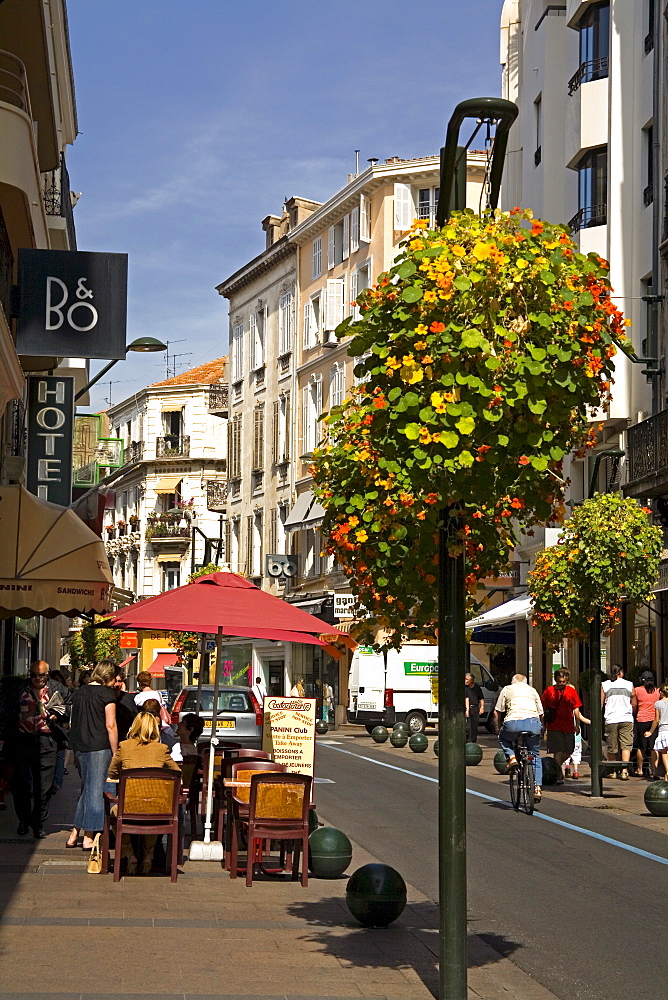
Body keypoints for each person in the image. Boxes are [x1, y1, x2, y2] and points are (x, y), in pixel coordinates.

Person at [107, 711, 181, 875]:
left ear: (134, 727)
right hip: (158, 807)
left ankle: (129, 853)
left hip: (129, 807)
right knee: (152, 816)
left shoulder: (124, 746)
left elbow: (112, 772)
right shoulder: (162, 749)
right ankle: (148, 856)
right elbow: (176, 773)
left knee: (113, 813)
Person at [10, 661, 71, 838]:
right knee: (20, 783)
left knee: (44, 786)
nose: (38, 679)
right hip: (23, 740)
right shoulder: (20, 688)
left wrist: (58, 714)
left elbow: (67, 706)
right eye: (34, 675)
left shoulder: (56, 688)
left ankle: (39, 824)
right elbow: (7, 710)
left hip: (47, 740)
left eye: (42, 675)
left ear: (48, 674)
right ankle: (23, 820)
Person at [67, 660, 118, 850]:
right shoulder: (107, 694)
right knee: (96, 791)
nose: (115, 683)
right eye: (114, 679)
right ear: (108, 676)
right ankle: (90, 835)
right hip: (100, 746)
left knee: (87, 789)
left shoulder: (79, 693)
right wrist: (116, 752)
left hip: (81, 746)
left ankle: (74, 833)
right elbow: (110, 725)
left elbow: (74, 722)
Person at [494, 673, 544, 801]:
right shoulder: (532, 690)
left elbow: (497, 711)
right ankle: (537, 788)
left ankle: (512, 758)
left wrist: (497, 728)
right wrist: (542, 728)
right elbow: (541, 713)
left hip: (513, 723)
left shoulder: (507, 689)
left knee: (503, 738)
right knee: (535, 755)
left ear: (513, 681)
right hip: (533, 723)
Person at [541, 669, 589, 781]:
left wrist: (577, 724)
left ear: (566, 680)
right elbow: (542, 709)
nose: (561, 684)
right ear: (555, 680)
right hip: (553, 725)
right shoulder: (549, 691)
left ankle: (554, 767)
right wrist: (543, 725)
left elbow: (576, 710)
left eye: (563, 682)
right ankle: (558, 775)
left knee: (569, 750)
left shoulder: (571, 691)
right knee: (558, 751)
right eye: (559, 682)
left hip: (568, 725)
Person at [602, 665, 636, 780]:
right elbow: (634, 702)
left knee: (612, 745)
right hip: (626, 718)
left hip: (611, 719)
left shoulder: (605, 684)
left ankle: (613, 771)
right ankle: (624, 771)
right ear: (621, 672)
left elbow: (601, 703)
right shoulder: (629, 684)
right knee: (626, 745)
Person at [633, 670, 660, 778]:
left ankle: (639, 769)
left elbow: (634, 705)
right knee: (654, 747)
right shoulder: (657, 691)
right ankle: (655, 771)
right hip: (654, 720)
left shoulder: (637, 690)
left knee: (641, 746)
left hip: (641, 720)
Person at [644, 685, 668, 779]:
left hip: (663, 730)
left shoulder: (658, 704)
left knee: (664, 752)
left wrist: (650, 731)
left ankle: (667, 771)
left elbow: (656, 720)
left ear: (661, 693)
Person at [112, 668, 139, 741]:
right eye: (115, 681)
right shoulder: (105, 698)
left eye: (119, 681)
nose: (117, 684)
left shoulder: (129, 698)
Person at [464, 673, 485, 744]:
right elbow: (467, 699)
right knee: (468, 726)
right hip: (468, 708)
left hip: (475, 708)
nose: (465, 681)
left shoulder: (477, 687)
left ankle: (473, 741)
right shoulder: (465, 688)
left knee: (474, 726)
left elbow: (481, 698)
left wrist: (482, 707)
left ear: (471, 680)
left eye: (467, 679)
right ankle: (468, 741)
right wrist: (467, 710)